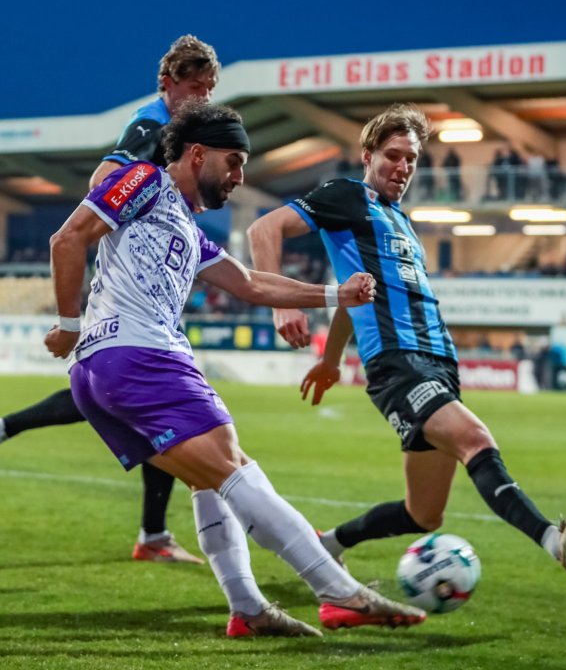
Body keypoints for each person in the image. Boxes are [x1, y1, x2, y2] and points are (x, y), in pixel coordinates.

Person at [47, 99, 425, 636]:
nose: (240, 177)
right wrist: (67, 322)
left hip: (104, 369)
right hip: (138, 354)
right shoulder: (146, 181)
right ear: (198, 154)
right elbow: (68, 237)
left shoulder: (185, 222)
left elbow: (248, 283)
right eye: (234, 162)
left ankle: (248, 609)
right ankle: (338, 592)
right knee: (234, 468)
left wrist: (335, 294)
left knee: (211, 480)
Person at [247, 103, 566, 579]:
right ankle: (554, 541)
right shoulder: (347, 196)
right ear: (367, 155)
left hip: (439, 362)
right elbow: (263, 228)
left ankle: (327, 545)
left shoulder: (402, 222)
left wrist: (331, 361)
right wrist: (280, 302)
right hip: (399, 363)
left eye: (411, 159)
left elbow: (356, 296)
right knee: (476, 440)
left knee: (424, 514)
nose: (403, 167)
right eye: (393, 155)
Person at [0, 35, 221, 564]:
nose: (203, 98)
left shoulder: (174, 129)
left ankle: (2, 429)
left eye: (209, 89)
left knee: (125, 400)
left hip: (145, 289)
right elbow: (102, 180)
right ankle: (158, 535)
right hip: (129, 288)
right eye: (196, 87)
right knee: (157, 405)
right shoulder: (151, 125)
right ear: (167, 83)